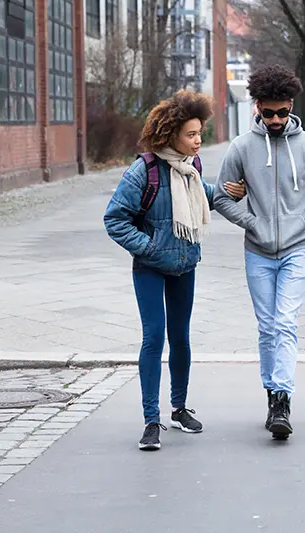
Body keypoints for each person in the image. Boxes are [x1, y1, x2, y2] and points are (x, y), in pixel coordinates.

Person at [103, 90, 246, 451]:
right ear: (170, 135)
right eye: (191, 135)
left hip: (184, 265)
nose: (199, 141)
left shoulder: (191, 168)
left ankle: (179, 408)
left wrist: (225, 191)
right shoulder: (144, 171)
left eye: (200, 133)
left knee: (180, 337)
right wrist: (150, 248)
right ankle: (151, 420)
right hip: (150, 267)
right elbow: (114, 220)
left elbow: (195, 195)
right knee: (154, 338)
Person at [213, 65, 305, 439]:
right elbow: (221, 197)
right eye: (267, 112)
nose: (274, 119)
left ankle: (283, 399)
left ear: (290, 106)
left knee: (285, 322)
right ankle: (272, 393)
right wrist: (250, 222)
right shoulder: (241, 148)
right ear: (257, 107)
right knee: (267, 327)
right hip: (257, 252)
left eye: (281, 112)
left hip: (297, 250)